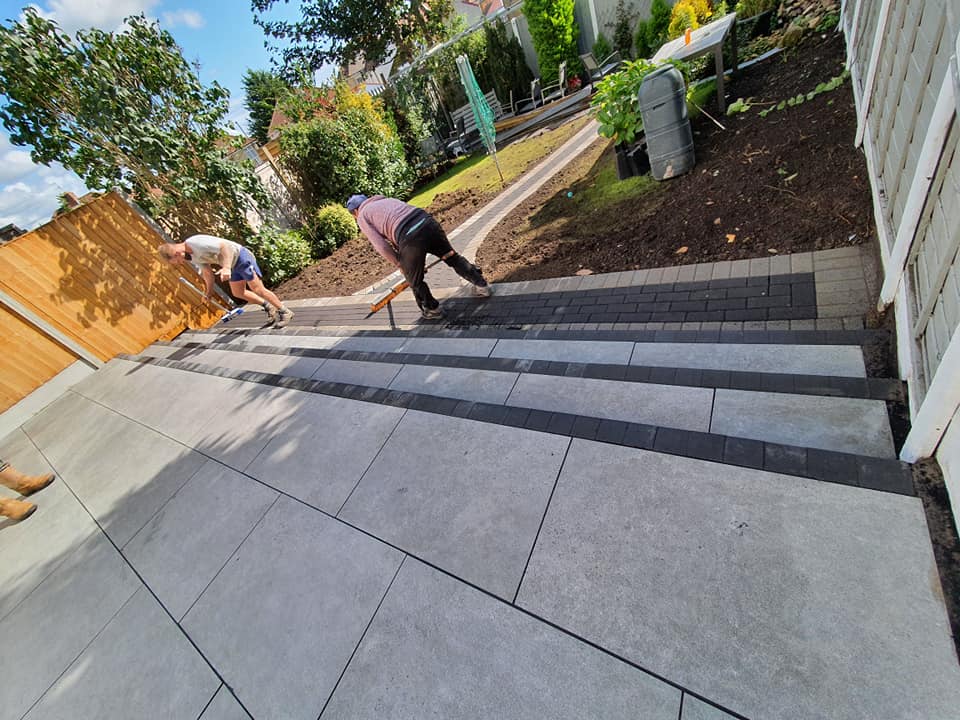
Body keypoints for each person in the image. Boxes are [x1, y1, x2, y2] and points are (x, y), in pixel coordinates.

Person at [347, 194, 491, 319]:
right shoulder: (384, 200)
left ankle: (432, 309)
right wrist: (414, 261)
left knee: (414, 279)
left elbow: (381, 246)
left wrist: (401, 264)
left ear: (355, 212)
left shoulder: (362, 216)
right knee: (451, 257)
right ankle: (482, 285)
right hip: (427, 222)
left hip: (410, 236)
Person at [158, 235, 295, 328]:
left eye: (177, 262)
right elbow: (207, 273)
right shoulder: (191, 257)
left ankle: (285, 311)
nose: (180, 263)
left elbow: (225, 247)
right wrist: (209, 292)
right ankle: (267, 306)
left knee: (258, 289)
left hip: (240, 256)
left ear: (176, 253)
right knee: (238, 292)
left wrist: (226, 268)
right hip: (232, 265)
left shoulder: (195, 243)